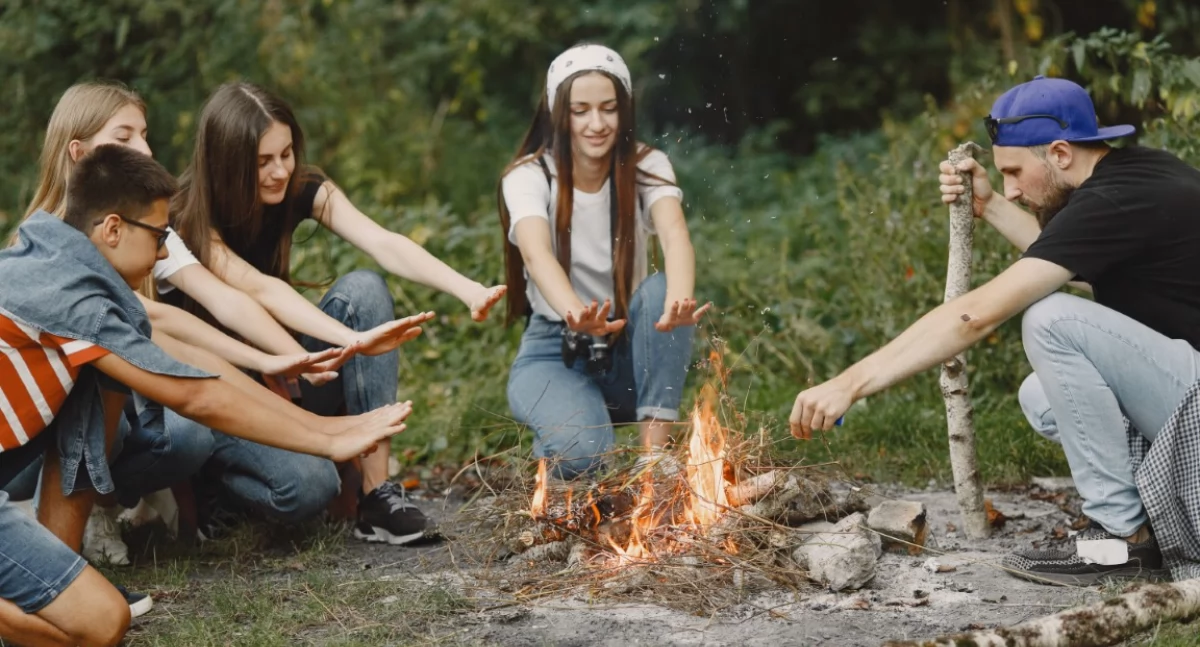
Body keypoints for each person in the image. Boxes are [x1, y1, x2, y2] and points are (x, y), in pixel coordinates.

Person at [788, 74, 1200, 585]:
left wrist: (849, 383)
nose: (1012, 188)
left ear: (1060, 153)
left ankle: (1120, 543)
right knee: (1041, 396)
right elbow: (1079, 263)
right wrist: (991, 207)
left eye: (1014, 172)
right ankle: (1151, 513)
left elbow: (976, 315)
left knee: (1052, 319)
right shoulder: (1140, 173)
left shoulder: (1113, 201)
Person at [0, 144, 415, 646]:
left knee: (100, 388)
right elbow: (193, 398)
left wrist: (326, 427)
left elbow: (192, 364)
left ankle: (52, 575)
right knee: (104, 623)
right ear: (112, 229)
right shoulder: (76, 303)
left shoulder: (59, 263)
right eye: (159, 236)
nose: (163, 253)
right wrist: (326, 442)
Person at [8, 80, 363, 565]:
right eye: (125, 137)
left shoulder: (95, 234)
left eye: (144, 134)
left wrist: (279, 367)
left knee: (130, 400)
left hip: (94, 420)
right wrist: (327, 435)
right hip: (27, 453)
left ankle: (72, 542)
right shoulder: (67, 277)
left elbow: (194, 325)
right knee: (136, 407)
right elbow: (184, 375)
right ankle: (55, 533)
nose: (145, 149)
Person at [169, 80, 506, 545]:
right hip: (228, 393)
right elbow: (259, 289)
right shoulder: (186, 217)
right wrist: (351, 341)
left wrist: (467, 289)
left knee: (364, 289)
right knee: (310, 489)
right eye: (262, 162)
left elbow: (380, 241)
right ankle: (219, 488)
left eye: (286, 153)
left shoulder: (302, 186)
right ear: (226, 163)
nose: (280, 171)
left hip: (287, 373)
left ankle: (377, 496)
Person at [497, 43, 709, 480]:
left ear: (623, 111)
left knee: (660, 291)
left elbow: (675, 234)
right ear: (558, 113)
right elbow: (536, 253)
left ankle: (654, 464)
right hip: (554, 349)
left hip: (629, 347)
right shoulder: (529, 175)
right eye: (581, 111)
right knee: (580, 458)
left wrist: (679, 301)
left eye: (609, 109)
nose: (597, 124)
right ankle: (565, 434)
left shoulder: (648, 164)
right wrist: (576, 313)